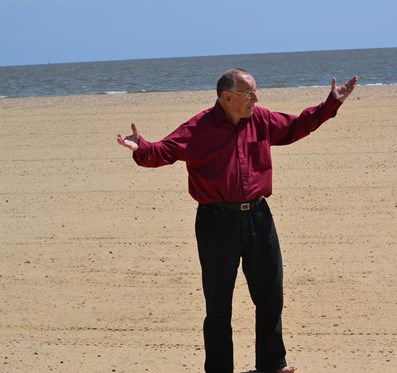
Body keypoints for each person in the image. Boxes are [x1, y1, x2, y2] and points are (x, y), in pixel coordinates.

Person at [116, 68, 358, 373]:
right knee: (218, 305)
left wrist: (330, 105)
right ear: (227, 97)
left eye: (256, 91)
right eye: (249, 92)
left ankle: (271, 365)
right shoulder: (200, 127)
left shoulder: (262, 120)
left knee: (271, 296)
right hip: (216, 223)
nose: (256, 98)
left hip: (259, 217)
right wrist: (141, 148)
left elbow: (298, 126)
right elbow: (165, 150)